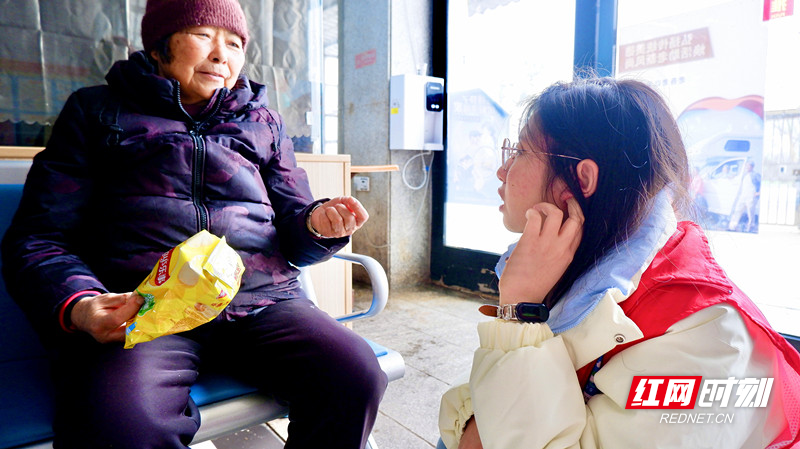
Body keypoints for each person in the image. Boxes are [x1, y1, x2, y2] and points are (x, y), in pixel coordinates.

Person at [0, 0, 387, 447]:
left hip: (260, 302)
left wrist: (317, 226)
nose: (222, 55)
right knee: (123, 420)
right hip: (144, 307)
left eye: (235, 44)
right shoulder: (97, 112)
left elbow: (294, 228)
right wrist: (80, 302)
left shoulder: (263, 123)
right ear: (159, 47)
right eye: (204, 35)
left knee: (353, 373)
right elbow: (39, 237)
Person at [438, 77, 800, 448]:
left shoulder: (706, 341)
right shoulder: (590, 266)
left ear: (582, 179)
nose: (502, 170)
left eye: (520, 151)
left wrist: (520, 309)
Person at [728, 159, 760, 232]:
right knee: (737, 210)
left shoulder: (755, 175)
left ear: (752, 167)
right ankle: (732, 226)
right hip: (743, 196)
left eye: (749, 166)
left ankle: (750, 227)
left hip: (751, 197)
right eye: (746, 165)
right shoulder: (744, 175)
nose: (747, 167)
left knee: (750, 213)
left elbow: (761, 183)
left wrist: (758, 193)